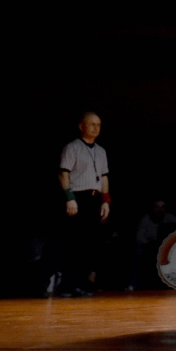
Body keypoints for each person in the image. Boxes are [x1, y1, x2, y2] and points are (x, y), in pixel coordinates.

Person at [57, 112, 111, 297]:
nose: (96, 128)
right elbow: (63, 174)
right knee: (75, 244)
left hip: (95, 197)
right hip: (79, 197)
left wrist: (105, 201)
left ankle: (81, 283)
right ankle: (67, 285)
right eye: (92, 124)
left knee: (91, 245)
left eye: (99, 124)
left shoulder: (101, 151)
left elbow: (104, 177)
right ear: (82, 126)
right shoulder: (72, 147)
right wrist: (69, 197)